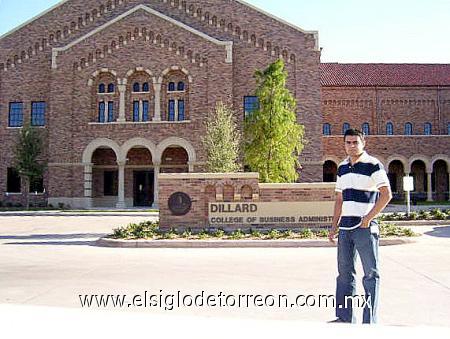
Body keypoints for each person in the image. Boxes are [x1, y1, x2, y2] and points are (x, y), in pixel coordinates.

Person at [328, 128, 392, 324]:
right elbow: (339, 199)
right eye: (348, 142)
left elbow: (386, 194)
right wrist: (334, 226)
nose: (352, 146)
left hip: (364, 228)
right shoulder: (342, 167)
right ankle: (344, 317)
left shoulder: (373, 165)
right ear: (344, 144)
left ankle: (369, 321)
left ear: (363, 143)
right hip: (346, 229)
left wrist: (368, 218)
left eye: (355, 142)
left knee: (370, 275)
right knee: (344, 275)